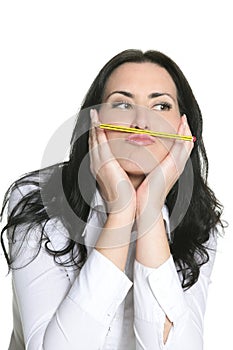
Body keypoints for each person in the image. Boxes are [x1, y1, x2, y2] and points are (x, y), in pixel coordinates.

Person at [0, 49, 224, 350]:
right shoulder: (36, 200)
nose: (141, 122)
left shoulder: (199, 221)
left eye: (160, 105)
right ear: (94, 121)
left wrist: (150, 209)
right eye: (122, 103)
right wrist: (120, 212)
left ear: (183, 130)